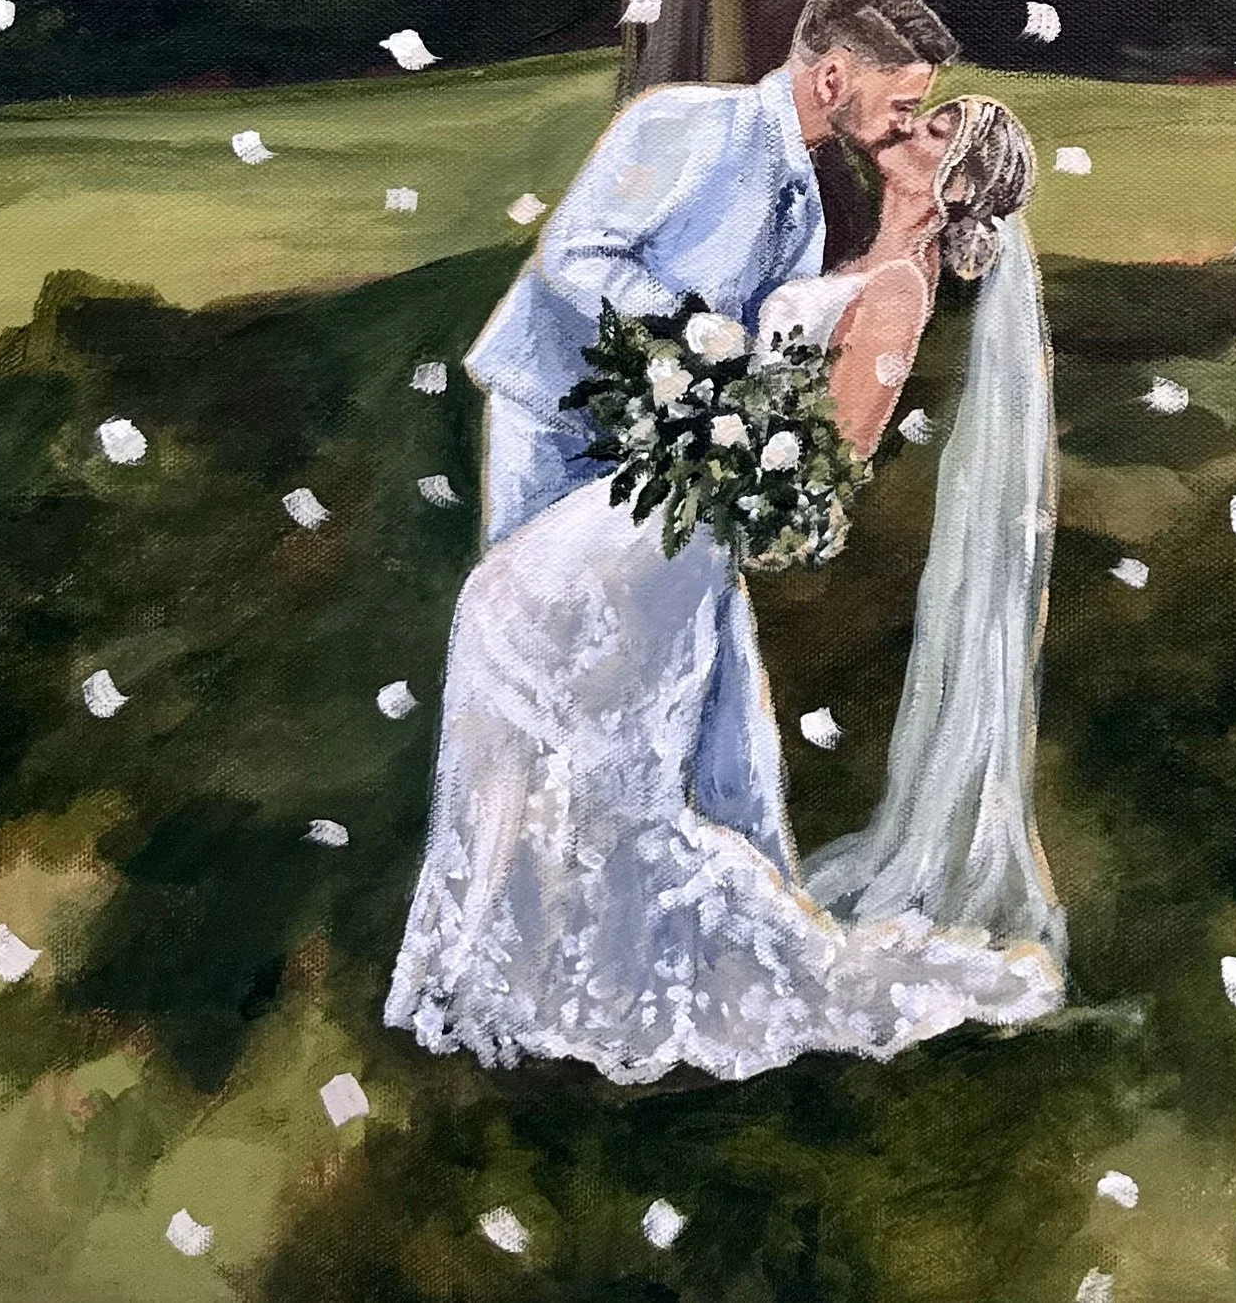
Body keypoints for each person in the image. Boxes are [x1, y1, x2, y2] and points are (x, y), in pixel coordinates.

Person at [385, 94, 1064, 1084]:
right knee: (524, 647)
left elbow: (837, 450)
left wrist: (723, 432)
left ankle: (578, 956)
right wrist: (692, 397)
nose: (904, 128)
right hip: (677, 482)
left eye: (932, 130)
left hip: (696, 512)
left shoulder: (899, 289)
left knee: (520, 638)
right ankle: (513, 948)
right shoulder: (851, 246)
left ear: (956, 184)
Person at [462, 0, 956, 546]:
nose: (906, 124)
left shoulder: (807, 206)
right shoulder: (685, 122)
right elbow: (577, 254)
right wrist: (696, 332)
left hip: (665, 449)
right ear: (832, 78)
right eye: (902, 105)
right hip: (557, 422)